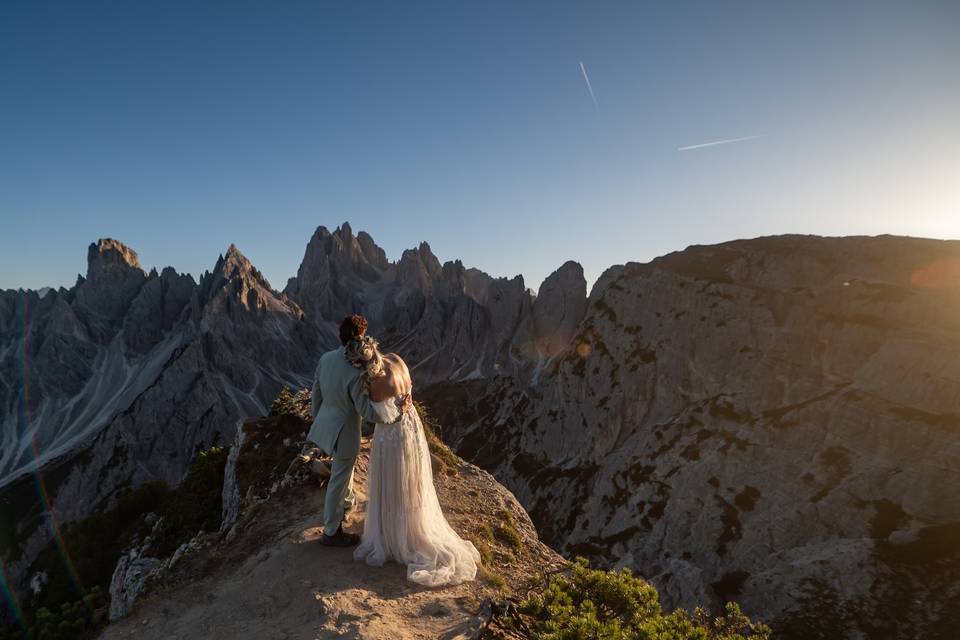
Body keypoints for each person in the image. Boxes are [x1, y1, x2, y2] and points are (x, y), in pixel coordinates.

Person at [351, 337, 480, 586]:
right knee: (411, 478)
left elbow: (376, 415)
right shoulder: (396, 359)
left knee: (394, 480)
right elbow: (407, 394)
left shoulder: (375, 382)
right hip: (412, 426)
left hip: (392, 434)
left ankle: (395, 534)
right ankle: (411, 523)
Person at [307, 314, 408, 547]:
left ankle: (347, 504)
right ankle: (331, 532)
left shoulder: (325, 359)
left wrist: (318, 419)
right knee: (339, 478)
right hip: (346, 431)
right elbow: (366, 411)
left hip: (326, 425)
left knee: (344, 470)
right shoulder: (354, 371)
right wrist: (396, 413)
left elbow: (316, 393)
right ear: (359, 337)